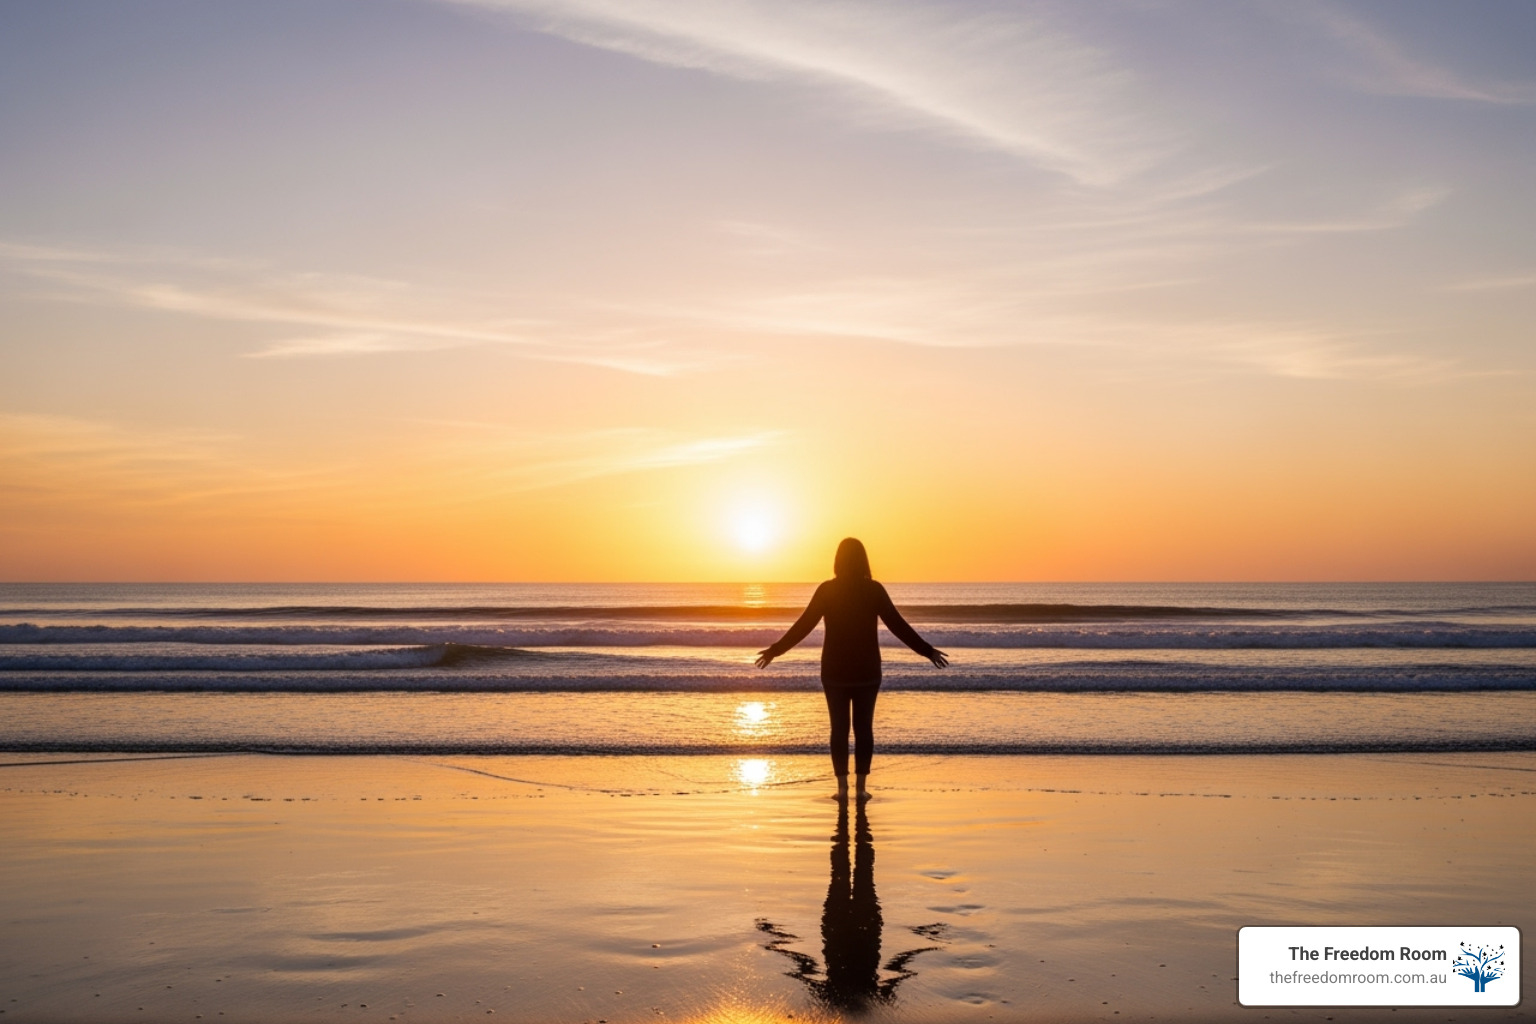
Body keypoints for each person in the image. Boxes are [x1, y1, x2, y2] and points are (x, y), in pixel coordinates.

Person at [755, 537, 947, 801]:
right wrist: (927, 651)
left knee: (839, 729)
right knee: (864, 728)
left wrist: (776, 650)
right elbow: (898, 625)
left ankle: (842, 789)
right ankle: (860, 788)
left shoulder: (827, 590)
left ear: (837, 560)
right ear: (863, 560)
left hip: (834, 671)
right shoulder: (874, 590)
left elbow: (804, 625)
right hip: (867, 671)